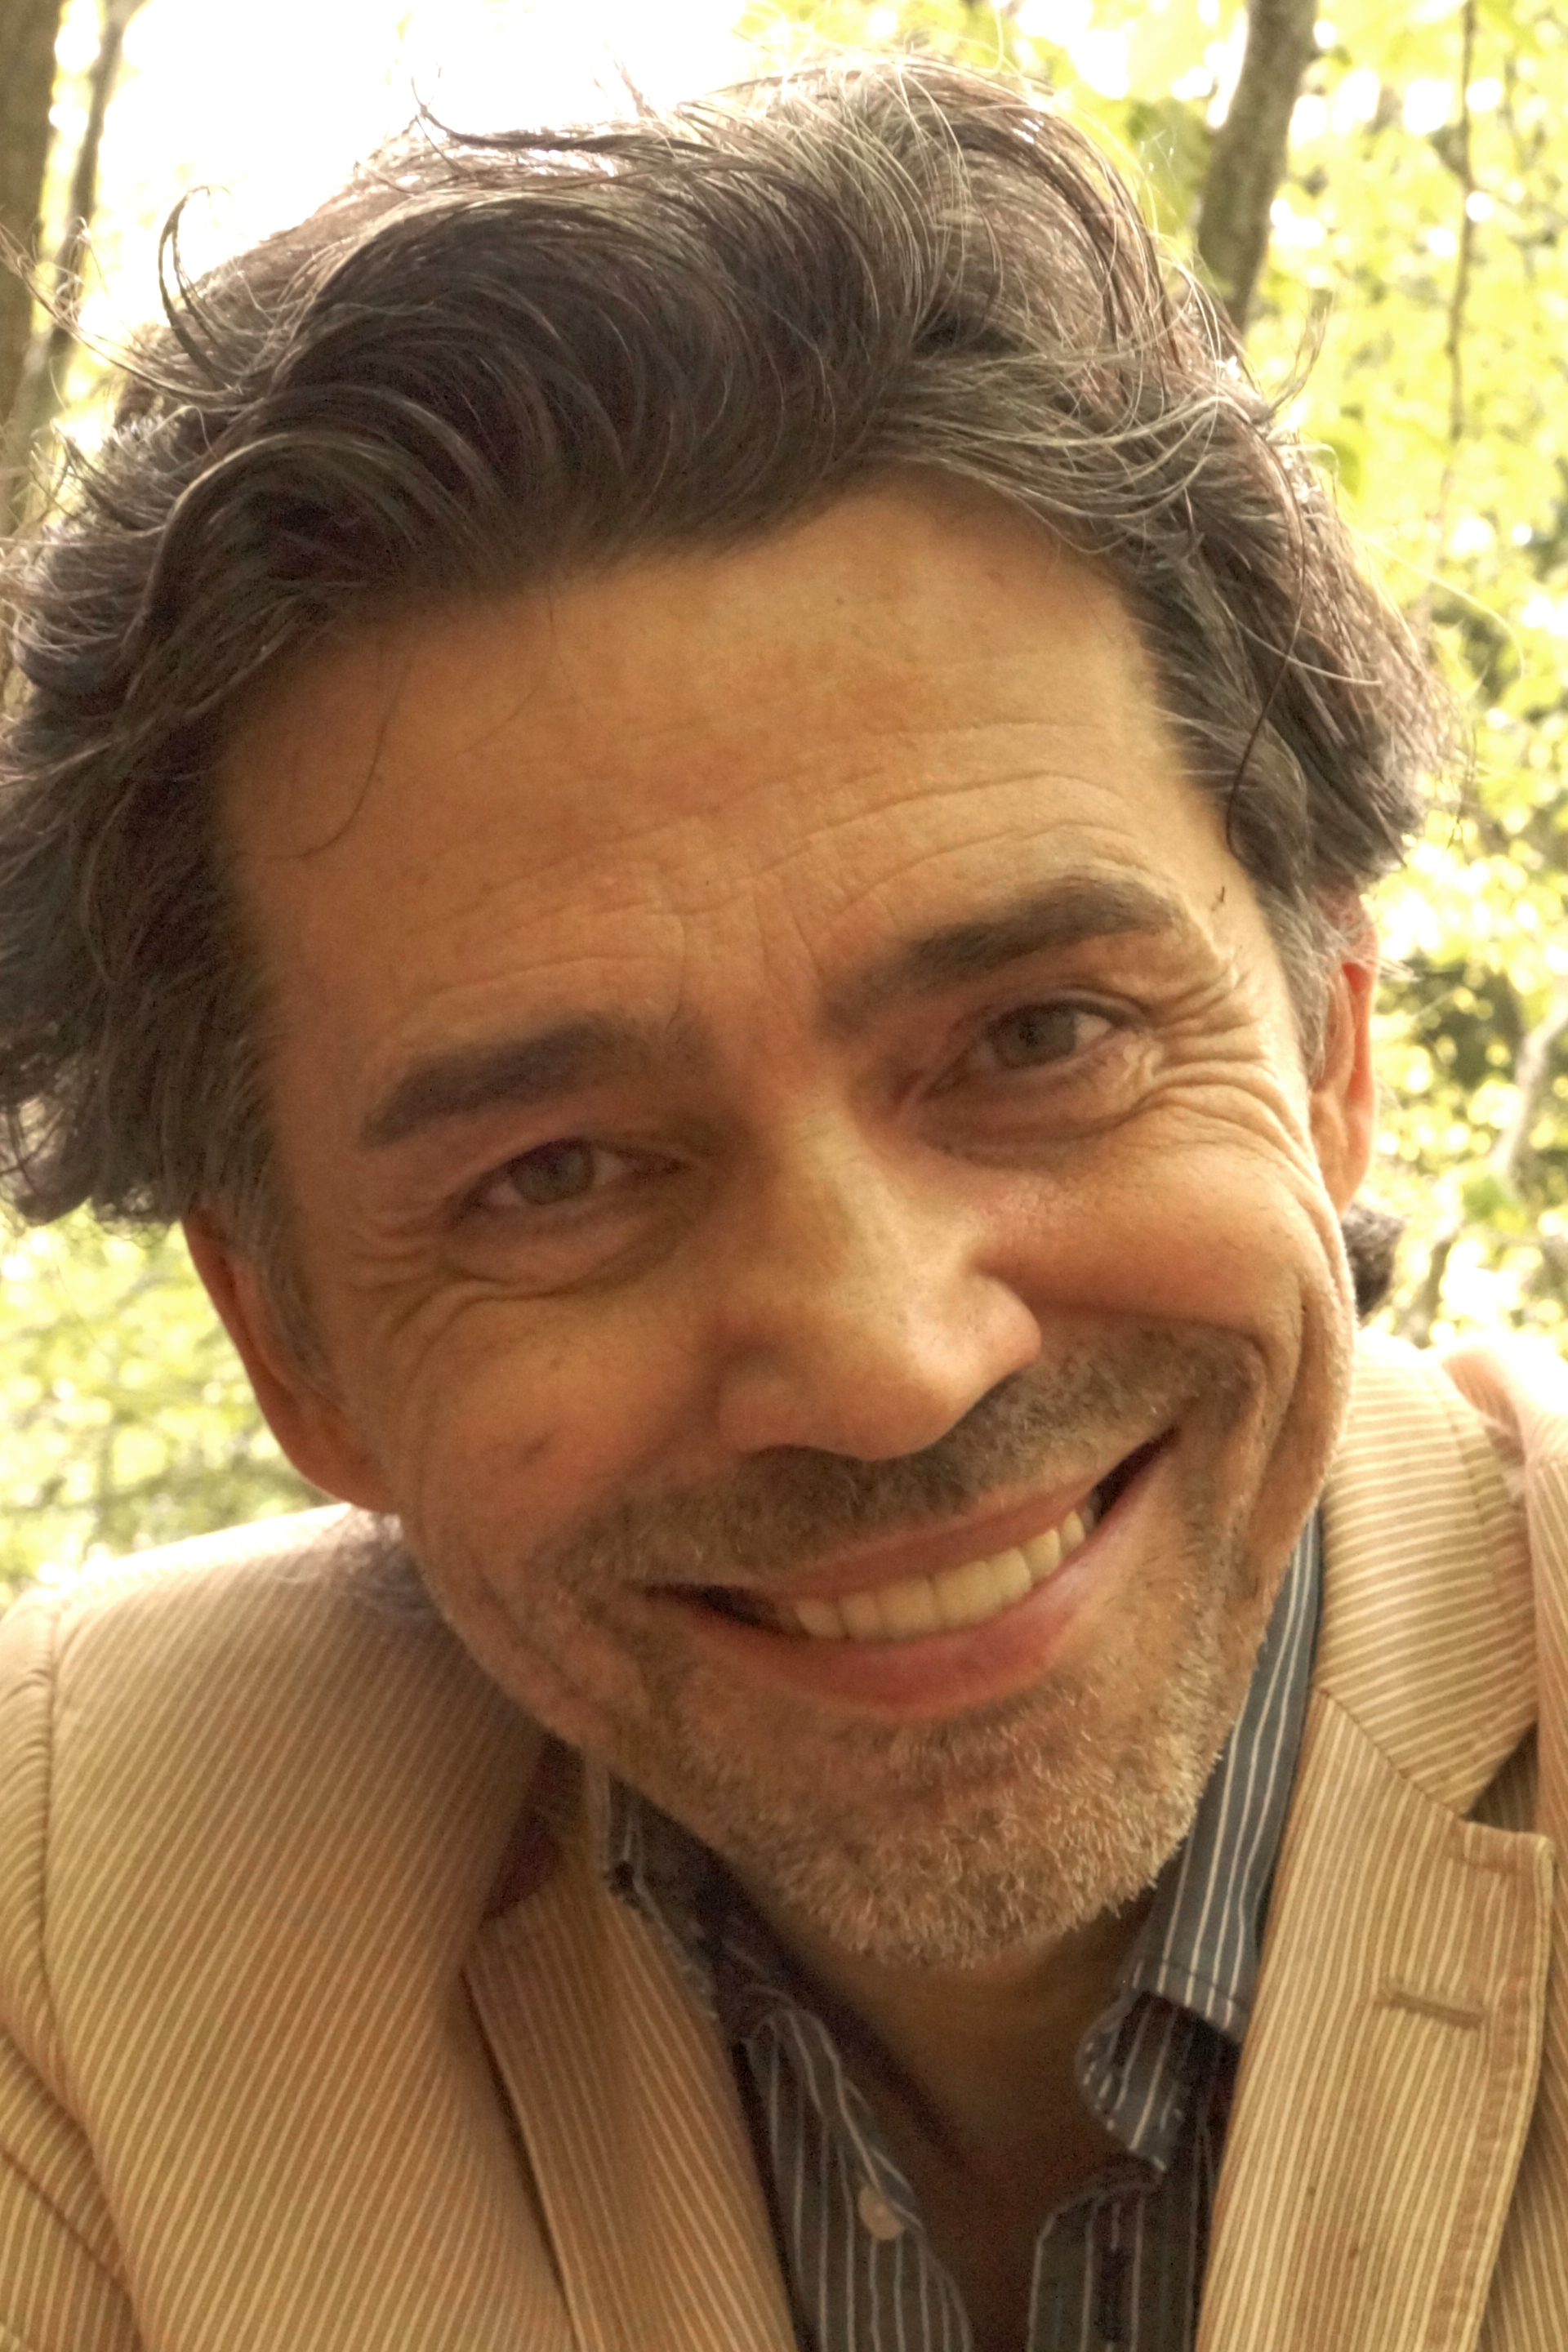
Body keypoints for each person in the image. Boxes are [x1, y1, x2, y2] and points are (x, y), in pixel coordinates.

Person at [0, 53, 1564, 2352]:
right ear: (295, 1351)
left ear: (1331, 1051)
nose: (883, 1360)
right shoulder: (73, 1917)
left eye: (1040, 1036)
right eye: (555, 1173)